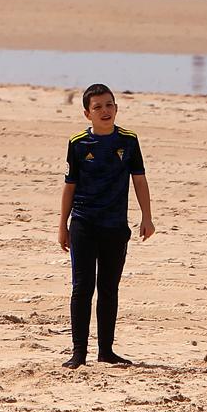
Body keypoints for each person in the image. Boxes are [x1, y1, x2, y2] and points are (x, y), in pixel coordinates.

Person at [57, 84, 154, 368]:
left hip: (115, 226)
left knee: (109, 288)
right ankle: (78, 352)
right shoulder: (77, 143)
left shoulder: (129, 140)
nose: (105, 111)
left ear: (116, 108)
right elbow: (69, 186)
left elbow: (139, 179)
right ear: (87, 113)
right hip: (84, 224)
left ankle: (106, 350)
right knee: (82, 288)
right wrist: (62, 225)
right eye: (98, 107)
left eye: (109, 105)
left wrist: (146, 217)